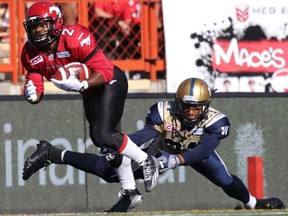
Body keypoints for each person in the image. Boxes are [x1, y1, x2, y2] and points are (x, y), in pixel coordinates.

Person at [23, 77, 285, 212]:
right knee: (109, 171)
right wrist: (118, 145)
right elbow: (145, 134)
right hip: (163, 149)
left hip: (192, 152)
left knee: (225, 181)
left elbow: (204, 149)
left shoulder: (217, 121)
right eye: (187, 107)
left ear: (205, 107)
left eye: (196, 109)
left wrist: (177, 160)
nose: (191, 113)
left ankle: (254, 204)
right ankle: (54, 153)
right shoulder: (165, 111)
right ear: (178, 102)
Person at [21, 0, 160, 212]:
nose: (38, 31)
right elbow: (35, 83)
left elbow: (104, 70)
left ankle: (146, 160)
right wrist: (32, 93)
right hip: (88, 90)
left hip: (109, 81)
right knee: (105, 142)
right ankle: (130, 191)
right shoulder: (30, 53)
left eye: (42, 25)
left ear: (56, 23)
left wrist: (82, 83)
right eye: (34, 26)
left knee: (103, 134)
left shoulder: (75, 37)